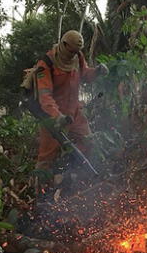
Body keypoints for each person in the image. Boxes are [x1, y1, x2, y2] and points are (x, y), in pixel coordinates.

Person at [34, 30, 108, 170]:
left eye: (75, 52)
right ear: (63, 44)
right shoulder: (46, 64)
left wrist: (97, 71)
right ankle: (39, 185)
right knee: (47, 155)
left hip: (74, 111)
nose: (73, 54)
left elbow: (85, 74)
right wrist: (57, 117)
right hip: (52, 116)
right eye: (71, 51)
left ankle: (73, 174)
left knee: (87, 141)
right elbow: (45, 97)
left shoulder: (78, 57)